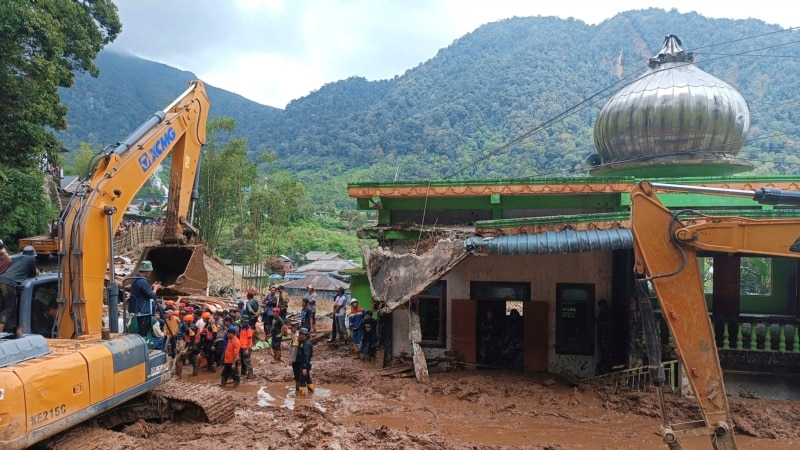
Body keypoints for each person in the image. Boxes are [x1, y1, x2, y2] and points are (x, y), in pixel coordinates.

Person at [0, 246, 39, 334]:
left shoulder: (16, 259)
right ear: (34, 255)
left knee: (2, 307)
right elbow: (33, 276)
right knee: (8, 309)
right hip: (9, 284)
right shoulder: (31, 259)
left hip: (1, 279)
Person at [128, 260, 161, 338]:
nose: (150, 273)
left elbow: (142, 292)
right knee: (143, 333)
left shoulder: (135, 279)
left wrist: (150, 287)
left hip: (137, 309)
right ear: (147, 271)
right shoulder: (143, 281)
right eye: (150, 272)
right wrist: (155, 288)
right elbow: (151, 295)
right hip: (143, 311)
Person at [597, 299, 613, 374]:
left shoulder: (608, 313)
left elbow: (609, 323)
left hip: (606, 335)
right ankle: (604, 365)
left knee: (606, 351)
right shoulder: (602, 312)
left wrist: (601, 322)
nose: (600, 307)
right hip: (602, 334)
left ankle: (607, 366)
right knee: (602, 351)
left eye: (601, 306)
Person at [297, 327, 314, 395]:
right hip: (304, 363)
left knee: (302, 379)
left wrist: (304, 367)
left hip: (305, 364)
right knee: (307, 378)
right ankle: (311, 390)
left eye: (300, 333)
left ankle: (302, 396)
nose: (299, 335)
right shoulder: (303, 342)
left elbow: (306, 356)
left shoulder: (306, 344)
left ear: (304, 334)